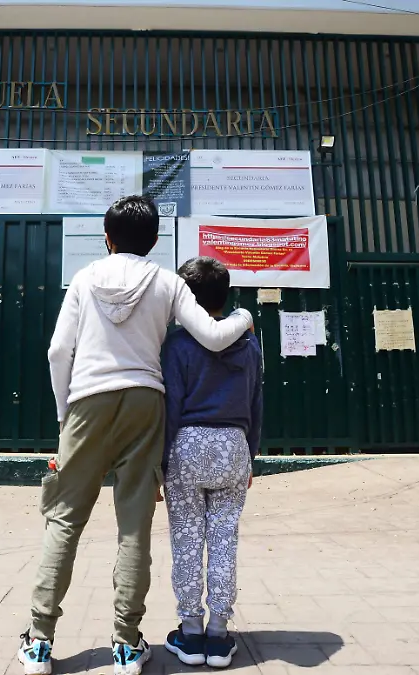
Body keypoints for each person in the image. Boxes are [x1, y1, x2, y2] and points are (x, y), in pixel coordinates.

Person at [17, 195, 254, 675]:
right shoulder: (166, 282)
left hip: (87, 399)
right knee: (133, 527)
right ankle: (127, 644)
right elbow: (211, 336)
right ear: (154, 242)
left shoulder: (84, 278)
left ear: (106, 238)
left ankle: (40, 641)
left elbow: (58, 351)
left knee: (64, 520)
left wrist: (66, 415)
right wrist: (245, 318)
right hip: (146, 402)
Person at [160, 257, 262, 669]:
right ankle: (219, 634)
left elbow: (169, 406)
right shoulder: (250, 344)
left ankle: (189, 632)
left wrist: (159, 463)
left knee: (187, 538)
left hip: (187, 444)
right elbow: (256, 402)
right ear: (226, 296)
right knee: (224, 539)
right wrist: (250, 457)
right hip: (233, 446)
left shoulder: (177, 345)